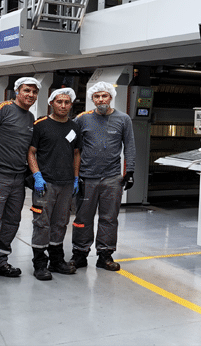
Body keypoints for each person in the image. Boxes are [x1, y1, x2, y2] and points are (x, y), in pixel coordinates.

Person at [0, 77, 40, 285]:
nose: (30, 95)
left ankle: (0, 261)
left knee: (12, 222)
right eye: (26, 90)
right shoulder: (0, 109)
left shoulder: (30, 118)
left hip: (18, 178)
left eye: (34, 92)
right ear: (17, 91)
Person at [70, 81, 135, 272]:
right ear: (92, 99)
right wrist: (73, 175)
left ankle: (105, 256)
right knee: (83, 217)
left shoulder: (123, 119)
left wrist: (129, 171)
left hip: (112, 178)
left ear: (111, 97)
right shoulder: (82, 119)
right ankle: (80, 254)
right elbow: (73, 148)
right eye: (97, 96)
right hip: (86, 177)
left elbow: (130, 146)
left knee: (109, 218)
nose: (100, 99)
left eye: (104, 96)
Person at [26, 88, 81, 281]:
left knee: (60, 223)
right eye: (59, 102)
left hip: (66, 184)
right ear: (51, 103)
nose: (63, 105)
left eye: (67, 102)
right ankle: (40, 264)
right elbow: (31, 152)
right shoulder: (40, 125)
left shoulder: (74, 127)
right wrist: (37, 176)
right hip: (46, 184)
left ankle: (57, 261)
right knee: (42, 224)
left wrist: (75, 178)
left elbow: (76, 154)